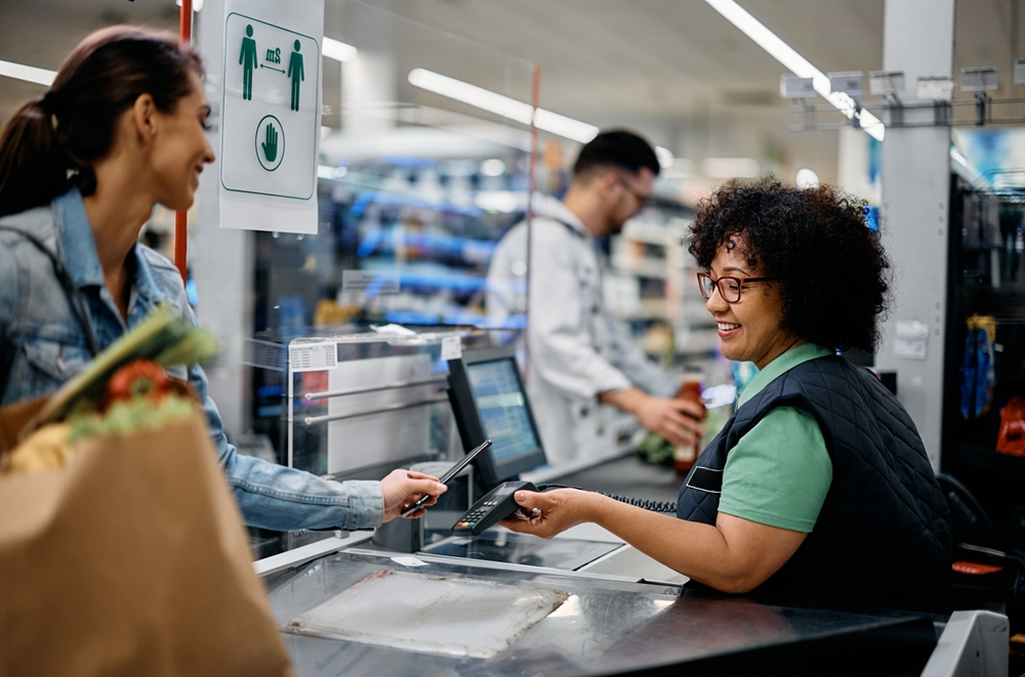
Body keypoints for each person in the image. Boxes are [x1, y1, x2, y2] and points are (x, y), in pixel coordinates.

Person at [0, 26, 445, 532]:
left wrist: (369, 501)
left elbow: (212, 471)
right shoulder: (14, 267)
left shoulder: (162, 289)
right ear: (146, 117)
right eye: (201, 122)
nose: (209, 152)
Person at [501, 178, 953, 614]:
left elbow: (735, 565)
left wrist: (592, 508)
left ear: (798, 291)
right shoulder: (843, 380)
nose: (715, 303)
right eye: (712, 282)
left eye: (735, 284)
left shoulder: (789, 415)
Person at [487, 130, 705, 464]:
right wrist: (639, 404)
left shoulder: (580, 246)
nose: (638, 212)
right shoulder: (546, 242)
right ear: (610, 186)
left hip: (577, 441)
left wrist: (667, 393)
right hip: (544, 438)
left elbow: (612, 343)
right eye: (640, 199)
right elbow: (557, 345)